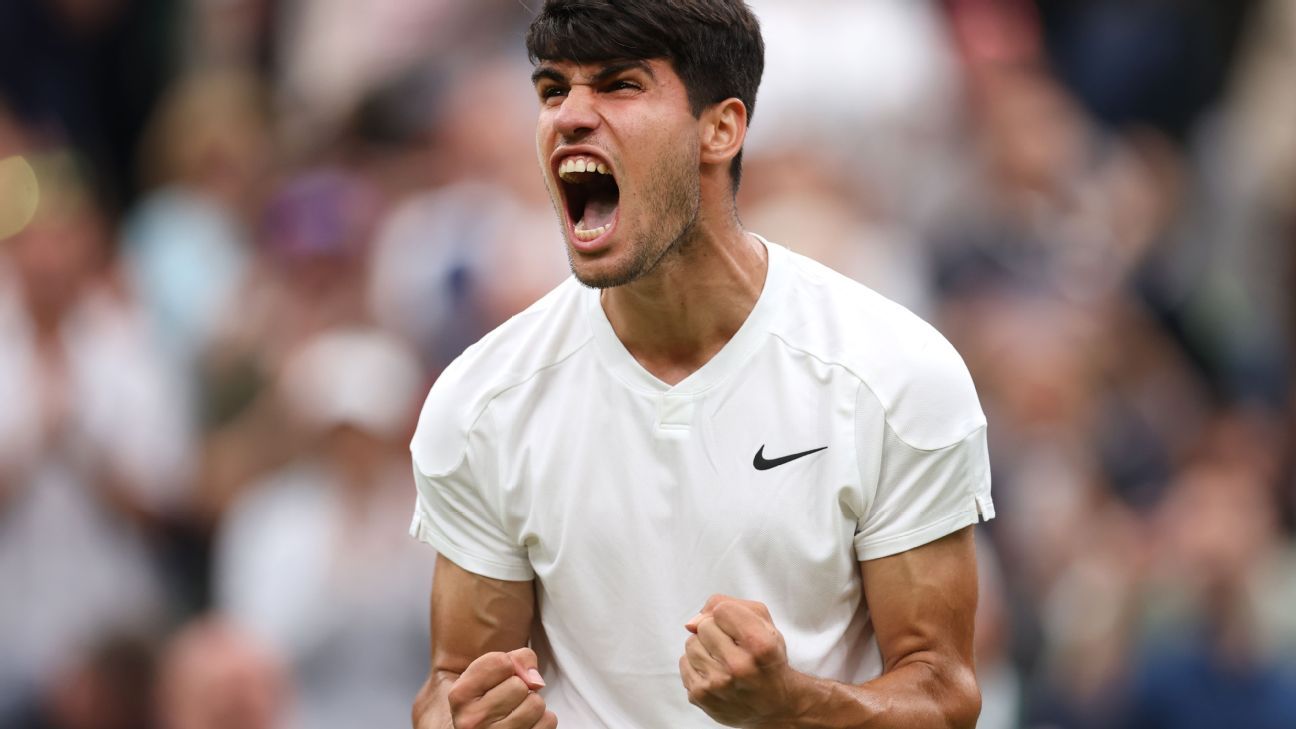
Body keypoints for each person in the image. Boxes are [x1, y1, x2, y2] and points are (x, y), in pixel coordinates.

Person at [408, 1, 994, 727]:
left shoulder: (896, 373)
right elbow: (450, 683)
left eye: (619, 85)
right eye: (554, 90)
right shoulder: (482, 400)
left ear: (721, 128)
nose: (570, 116)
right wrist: (460, 718)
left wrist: (790, 705)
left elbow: (944, 691)